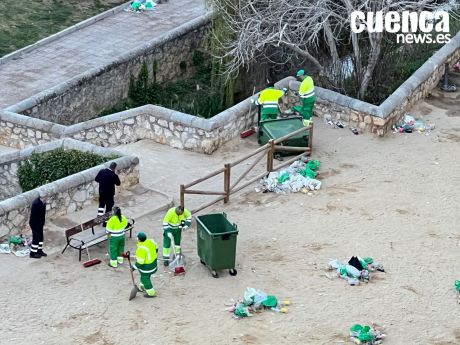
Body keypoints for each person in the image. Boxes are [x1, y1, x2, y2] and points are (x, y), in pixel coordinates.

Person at [132, 232, 158, 298]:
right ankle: (142, 287)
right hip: (154, 263)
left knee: (145, 278)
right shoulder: (151, 241)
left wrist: (133, 268)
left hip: (147, 267)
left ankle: (151, 293)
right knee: (145, 276)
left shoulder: (141, 249)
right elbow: (156, 247)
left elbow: (140, 262)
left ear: (139, 239)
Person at [29, 193, 48, 259]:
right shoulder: (36, 203)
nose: (47, 198)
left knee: (40, 237)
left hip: (40, 223)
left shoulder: (43, 202)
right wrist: (35, 226)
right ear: (43, 197)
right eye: (46, 196)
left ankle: (39, 251)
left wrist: (42, 223)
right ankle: (33, 253)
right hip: (35, 223)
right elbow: (33, 216)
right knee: (36, 238)